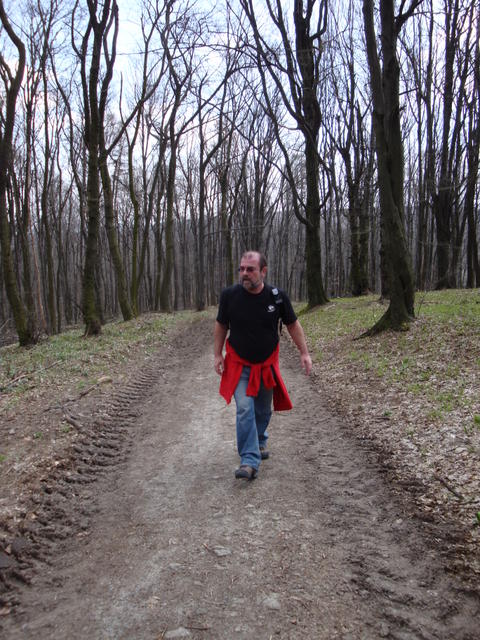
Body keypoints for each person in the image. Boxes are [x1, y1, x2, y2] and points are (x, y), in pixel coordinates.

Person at [214, 250, 312, 481]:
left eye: (250, 269)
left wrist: (304, 353)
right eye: (241, 269)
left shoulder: (277, 297)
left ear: (263, 271)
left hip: (267, 364)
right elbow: (221, 325)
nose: (244, 273)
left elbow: (292, 325)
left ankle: (258, 440)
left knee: (262, 409)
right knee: (244, 408)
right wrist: (217, 354)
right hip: (238, 364)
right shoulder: (229, 296)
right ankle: (249, 460)